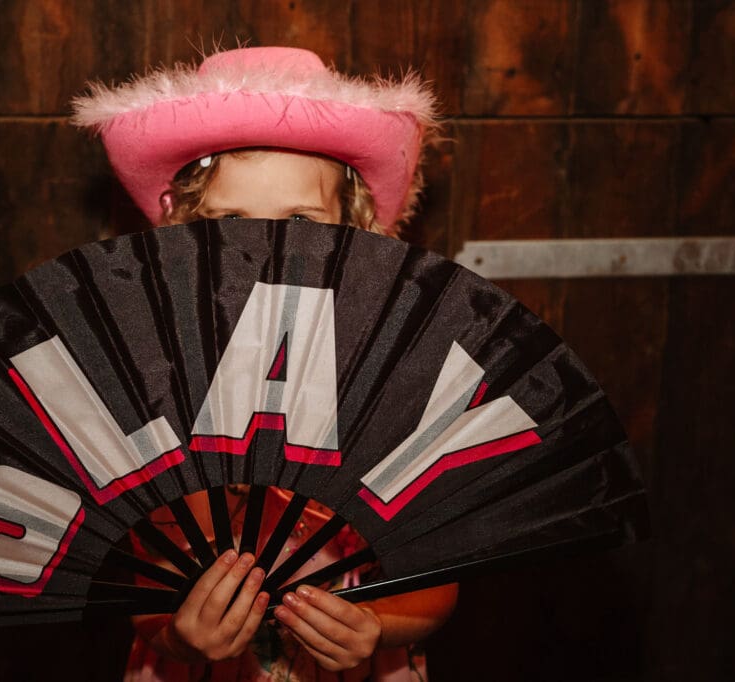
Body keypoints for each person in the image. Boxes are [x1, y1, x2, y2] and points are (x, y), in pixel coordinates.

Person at [73, 46, 457, 680]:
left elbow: (438, 585)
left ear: (353, 228)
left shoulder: (399, 376)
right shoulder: (157, 383)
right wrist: (180, 636)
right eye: (231, 219)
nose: (266, 247)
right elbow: (150, 587)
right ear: (184, 232)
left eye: (300, 220)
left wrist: (378, 625)